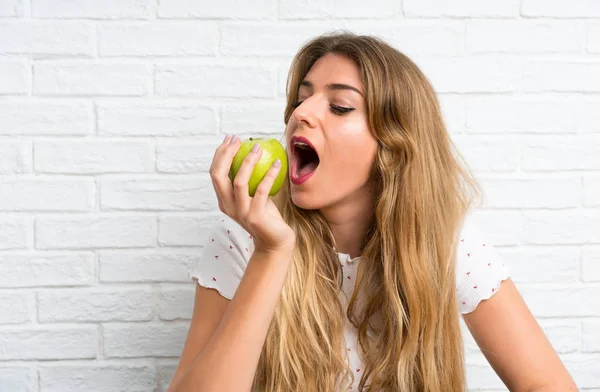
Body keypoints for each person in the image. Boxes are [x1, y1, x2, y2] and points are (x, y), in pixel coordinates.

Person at [167, 31, 577, 391]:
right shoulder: (243, 238)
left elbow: (546, 383)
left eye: (340, 107)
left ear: (394, 145)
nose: (299, 114)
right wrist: (270, 253)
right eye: (301, 99)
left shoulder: (447, 241)